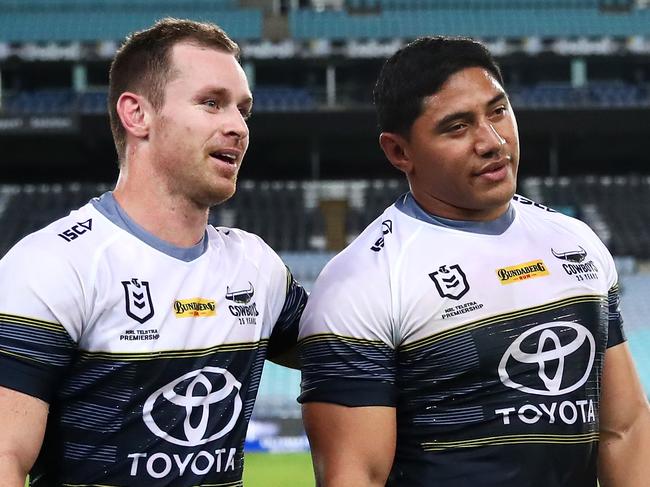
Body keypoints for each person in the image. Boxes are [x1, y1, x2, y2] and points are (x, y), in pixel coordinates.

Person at [298, 36, 650, 486]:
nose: (492, 140)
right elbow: (355, 477)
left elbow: (624, 427)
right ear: (399, 152)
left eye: (498, 111)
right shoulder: (362, 281)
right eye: (457, 127)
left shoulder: (576, 241)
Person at [0, 18, 307, 486]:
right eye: (211, 103)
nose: (238, 127)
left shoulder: (257, 267)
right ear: (137, 114)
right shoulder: (52, 265)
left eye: (243, 110)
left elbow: (358, 352)